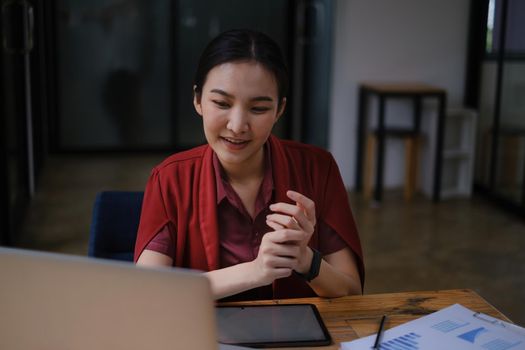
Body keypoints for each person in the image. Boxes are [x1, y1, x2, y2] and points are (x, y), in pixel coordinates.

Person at [134, 29, 364, 301]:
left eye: (258, 109)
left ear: (279, 109)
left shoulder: (317, 168)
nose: (237, 125)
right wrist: (255, 271)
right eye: (221, 103)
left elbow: (352, 292)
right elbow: (147, 294)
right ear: (198, 100)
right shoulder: (170, 178)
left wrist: (305, 260)